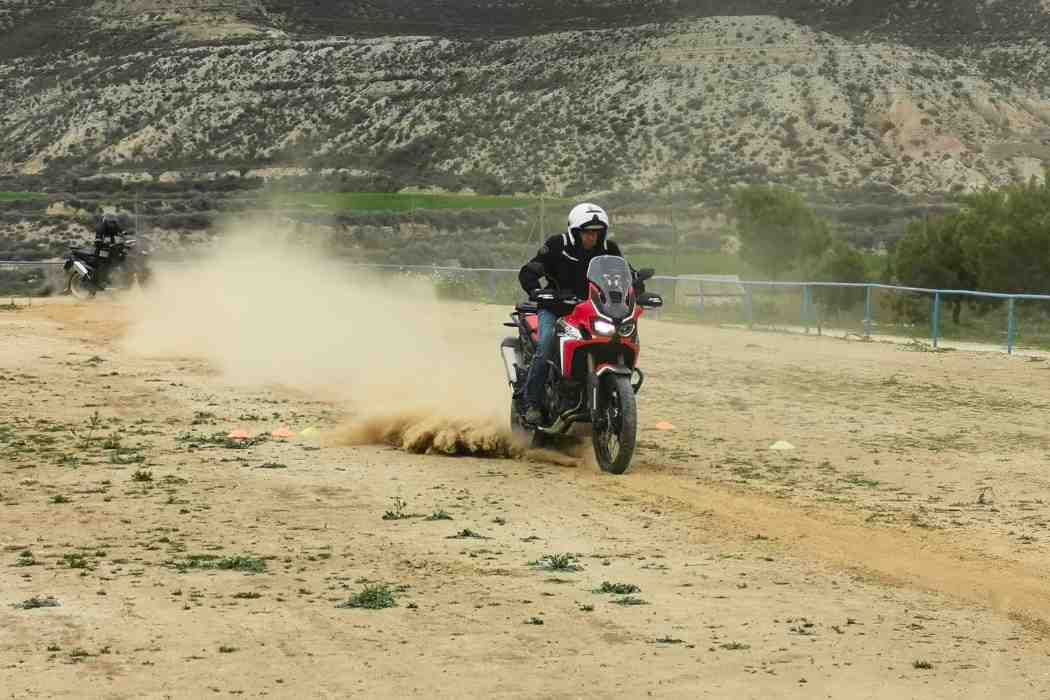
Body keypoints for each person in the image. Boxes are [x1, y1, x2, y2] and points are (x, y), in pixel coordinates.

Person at [517, 202, 643, 425]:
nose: (592, 237)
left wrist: (638, 290)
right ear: (576, 231)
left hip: (592, 311)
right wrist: (536, 290)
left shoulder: (609, 249)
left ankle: (611, 398)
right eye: (587, 232)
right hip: (557, 309)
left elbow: (627, 275)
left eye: (597, 232)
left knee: (618, 339)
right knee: (546, 344)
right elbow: (530, 270)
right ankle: (531, 403)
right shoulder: (558, 245)